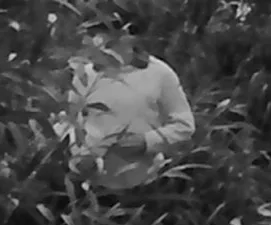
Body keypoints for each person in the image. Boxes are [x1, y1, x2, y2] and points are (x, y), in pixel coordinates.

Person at [62, 29, 196, 190]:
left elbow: (184, 126)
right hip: (90, 184)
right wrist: (80, 156)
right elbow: (72, 123)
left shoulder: (159, 74)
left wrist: (146, 141)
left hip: (143, 183)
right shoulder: (85, 74)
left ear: (131, 39)